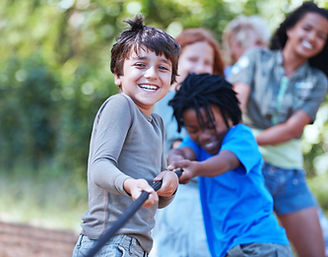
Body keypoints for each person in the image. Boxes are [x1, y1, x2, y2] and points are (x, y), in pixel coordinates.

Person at [72, 15, 180, 257]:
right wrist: (130, 184)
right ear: (118, 74)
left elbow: (153, 196)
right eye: (140, 65)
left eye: (163, 68)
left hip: (133, 245)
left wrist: (168, 185)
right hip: (110, 242)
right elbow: (99, 168)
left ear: (172, 80)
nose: (152, 74)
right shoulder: (121, 106)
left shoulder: (157, 123)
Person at [228, 2, 328, 257]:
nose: (312, 38)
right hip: (247, 169)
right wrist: (246, 144)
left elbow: (292, 129)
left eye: (321, 36)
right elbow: (234, 105)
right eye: (307, 28)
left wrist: (250, 137)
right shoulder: (256, 58)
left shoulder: (317, 81)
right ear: (291, 28)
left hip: (288, 177)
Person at [167, 73, 293, 257]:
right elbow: (181, 152)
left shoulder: (241, 136)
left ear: (229, 113)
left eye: (211, 125)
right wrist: (175, 159)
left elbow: (225, 161)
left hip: (260, 243)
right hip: (227, 249)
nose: (204, 136)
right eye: (193, 130)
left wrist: (196, 168)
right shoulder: (196, 144)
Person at [152, 28, 224, 257]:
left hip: (210, 195)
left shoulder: (218, 108)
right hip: (177, 195)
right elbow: (176, 146)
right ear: (175, 63)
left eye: (207, 63)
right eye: (192, 59)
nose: (200, 67)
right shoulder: (167, 99)